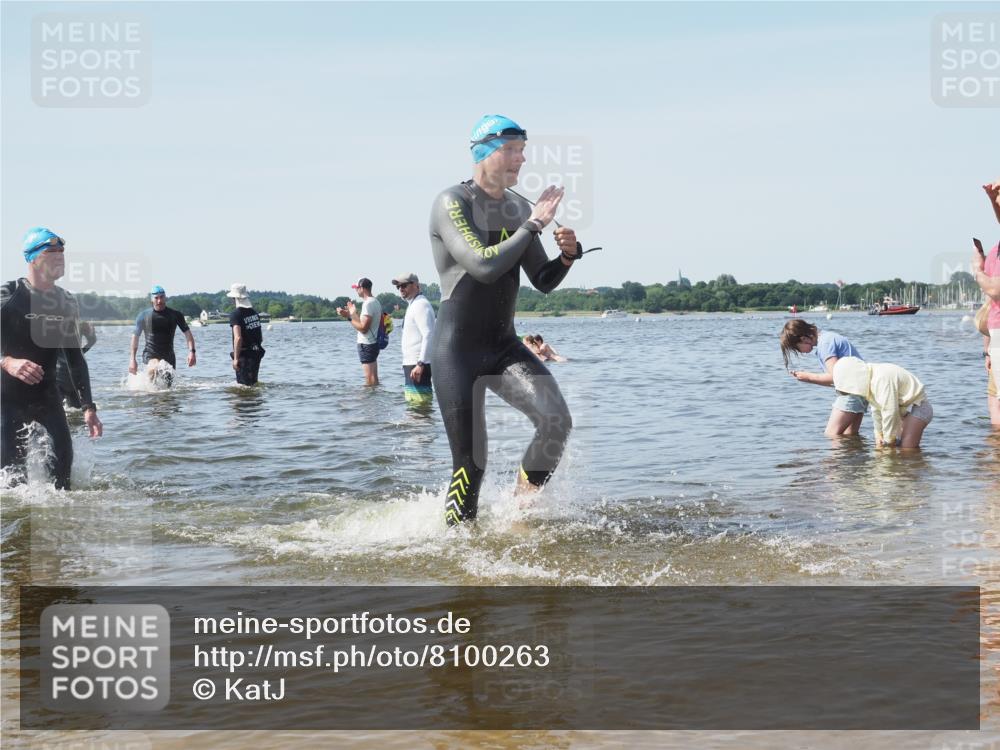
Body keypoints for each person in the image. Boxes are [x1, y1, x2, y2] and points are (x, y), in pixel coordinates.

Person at [430, 114, 584, 526]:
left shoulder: (517, 207)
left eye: (523, 150)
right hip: (456, 351)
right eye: (511, 149)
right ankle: (458, 548)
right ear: (483, 152)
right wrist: (533, 226)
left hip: (502, 346)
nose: (521, 159)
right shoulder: (452, 202)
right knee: (471, 463)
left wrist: (567, 256)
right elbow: (481, 266)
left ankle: (518, 511)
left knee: (556, 422)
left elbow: (543, 281)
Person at [1, 227, 103, 489]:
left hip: (48, 398)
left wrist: (88, 407)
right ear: (32, 258)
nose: (59, 257)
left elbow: (75, 359)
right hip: (8, 400)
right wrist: (7, 361)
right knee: (13, 485)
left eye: (62, 252)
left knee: (64, 481)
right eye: (51, 252)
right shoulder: (8, 295)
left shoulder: (66, 301)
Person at [779, 319, 867, 436]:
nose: (800, 352)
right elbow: (837, 381)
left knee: (831, 435)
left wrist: (808, 377)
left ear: (804, 339)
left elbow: (837, 377)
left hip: (851, 393)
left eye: (797, 348)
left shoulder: (824, 345)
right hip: (861, 391)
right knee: (849, 437)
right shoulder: (828, 337)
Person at [832, 356, 932, 449]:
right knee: (896, 446)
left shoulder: (880, 379)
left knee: (906, 449)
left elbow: (890, 411)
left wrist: (888, 441)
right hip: (903, 411)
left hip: (919, 407)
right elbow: (877, 410)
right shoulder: (870, 381)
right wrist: (879, 434)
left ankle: (917, 465)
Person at [129, 285, 196, 384]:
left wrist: (192, 352)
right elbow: (135, 337)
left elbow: (188, 334)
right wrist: (132, 359)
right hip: (150, 354)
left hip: (169, 356)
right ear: (152, 299)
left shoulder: (175, 315)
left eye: (161, 297)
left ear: (165, 297)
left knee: (167, 391)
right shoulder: (144, 316)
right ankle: (149, 393)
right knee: (154, 368)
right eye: (156, 298)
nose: (159, 301)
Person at [392, 273, 435, 405]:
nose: (401, 289)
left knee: (420, 406)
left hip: (418, 365)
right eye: (398, 286)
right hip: (412, 364)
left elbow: (429, 334)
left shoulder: (421, 305)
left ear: (416, 285)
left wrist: (420, 363)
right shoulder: (413, 304)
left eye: (404, 285)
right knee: (414, 406)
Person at [337, 277, 382, 386]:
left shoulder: (368, 304)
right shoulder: (374, 301)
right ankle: (374, 400)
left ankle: (369, 401)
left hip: (367, 345)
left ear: (362, 288)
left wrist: (348, 317)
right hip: (372, 343)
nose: (356, 290)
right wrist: (352, 313)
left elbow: (363, 328)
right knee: (373, 378)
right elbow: (363, 324)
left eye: (357, 288)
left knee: (370, 380)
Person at [226, 283, 265, 386]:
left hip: (245, 355)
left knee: (243, 387)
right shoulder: (254, 313)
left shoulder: (236, 314)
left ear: (235, 298)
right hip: (256, 352)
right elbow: (260, 336)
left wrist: (236, 359)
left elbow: (238, 338)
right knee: (253, 383)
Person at [56, 320, 96, 408]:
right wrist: (80, 353)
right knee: (77, 410)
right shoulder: (80, 324)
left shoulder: (49, 325)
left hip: (58, 376)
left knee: (57, 411)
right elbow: (93, 340)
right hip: (75, 375)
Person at [975, 302, 1000, 428]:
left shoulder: (994, 292)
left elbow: (985, 322)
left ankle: (997, 443)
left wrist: (987, 353)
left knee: (995, 401)